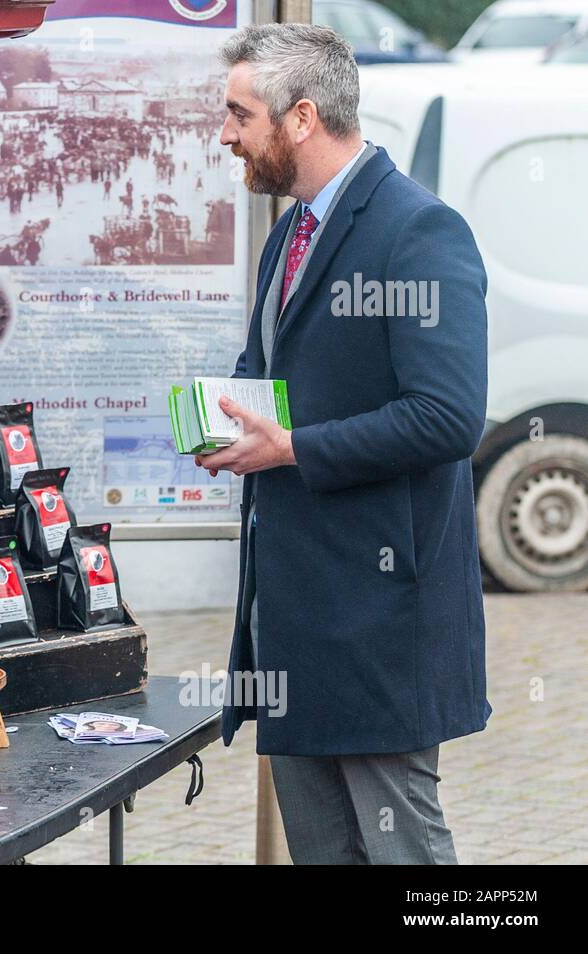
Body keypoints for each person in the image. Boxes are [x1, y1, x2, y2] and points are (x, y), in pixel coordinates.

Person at [203, 24, 488, 864]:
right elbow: (276, 371)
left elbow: (447, 417)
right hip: (293, 624)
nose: (226, 134)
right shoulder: (288, 234)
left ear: (300, 118)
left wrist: (290, 448)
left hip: (379, 626)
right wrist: (226, 424)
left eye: (238, 114)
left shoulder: (420, 232)